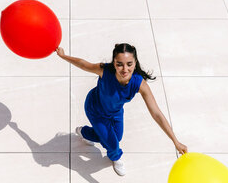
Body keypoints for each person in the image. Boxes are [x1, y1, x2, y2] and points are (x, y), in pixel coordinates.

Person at [56, 43, 188, 176]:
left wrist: (175, 141)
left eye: (129, 64)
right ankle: (116, 158)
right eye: (120, 64)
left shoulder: (139, 84)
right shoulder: (104, 71)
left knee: (116, 138)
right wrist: (63, 56)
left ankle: (84, 132)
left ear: (135, 63)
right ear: (114, 63)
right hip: (95, 110)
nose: (125, 69)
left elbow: (156, 113)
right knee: (113, 146)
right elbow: (83, 64)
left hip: (115, 112)